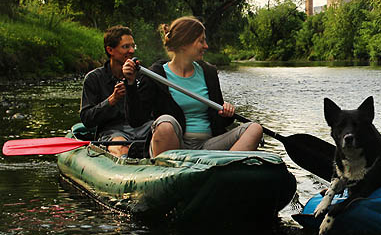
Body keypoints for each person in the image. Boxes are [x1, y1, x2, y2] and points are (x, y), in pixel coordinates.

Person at [121, 16, 263, 157]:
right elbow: (135, 120)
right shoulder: (155, 75)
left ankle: (223, 172)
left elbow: (219, 119)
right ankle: (168, 173)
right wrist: (131, 84)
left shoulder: (209, 72)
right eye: (201, 41)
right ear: (184, 44)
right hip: (174, 145)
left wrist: (226, 113)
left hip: (208, 146)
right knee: (165, 124)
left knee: (255, 129)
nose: (206, 46)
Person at [79, 25, 151, 157]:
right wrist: (112, 100)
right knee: (120, 145)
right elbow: (87, 119)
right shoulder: (94, 78)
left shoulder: (143, 75)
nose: (131, 51)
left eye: (133, 46)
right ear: (110, 50)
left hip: (143, 128)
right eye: (125, 47)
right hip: (113, 132)